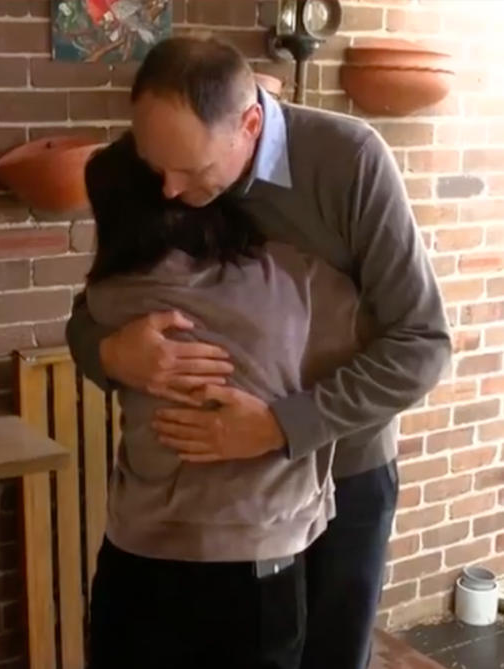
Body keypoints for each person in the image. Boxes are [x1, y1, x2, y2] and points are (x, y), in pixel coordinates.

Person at [66, 36, 450, 669]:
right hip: (189, 512)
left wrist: (279, 427)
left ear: (249, 125)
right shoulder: (157, 160)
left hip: (342, 474)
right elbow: (90, 310)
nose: (165, 188)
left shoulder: (349, 160)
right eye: (153, 161)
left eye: (189, 171)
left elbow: (422, 342)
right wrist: (110, 354)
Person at [80, 133, 365, 668]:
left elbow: (82, 327)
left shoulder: (112, 299)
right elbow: (383, 346)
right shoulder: (295, 281)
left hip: (138, 554)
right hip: (258, 558)